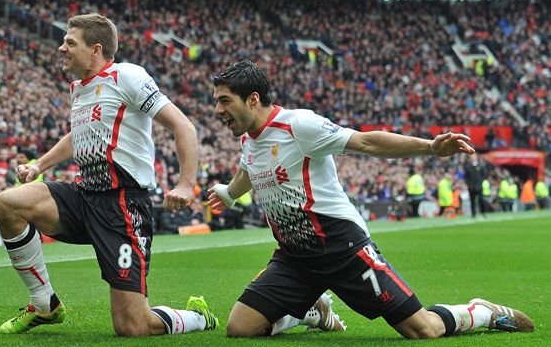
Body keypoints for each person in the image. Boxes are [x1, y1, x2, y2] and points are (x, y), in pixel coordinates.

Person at [207, 60, 533, 339]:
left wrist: (430, 147)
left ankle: (480, 311)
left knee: (423, 330)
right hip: (294, 258)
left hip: (342, 249)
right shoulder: (249, 139)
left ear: (252, 99)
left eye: (224, 101)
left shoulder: (299, 125)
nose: (218, 110)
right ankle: (310, 311)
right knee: (240, 327)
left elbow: (368, 143)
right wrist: (229, 193)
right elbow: (248, 170)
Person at [0, 13, 216, 337]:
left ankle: (198, 316)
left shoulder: (127, 76)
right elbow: (77, 136)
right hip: (83, 197)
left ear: (96, 50)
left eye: (70, 42)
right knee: (7, 204)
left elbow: (183, 125)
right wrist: (40, 165)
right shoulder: (79, 88)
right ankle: (44, 304)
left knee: (132, 326)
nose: (61, 48)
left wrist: (185, 183)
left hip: (123, 206)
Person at [463, 153, 487, 218]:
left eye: (473, 156)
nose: (472, 158)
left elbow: (484, 175)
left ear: (476, 157)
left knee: (481, 199)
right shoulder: (468, 166)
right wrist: (469, 184)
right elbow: (466, 177)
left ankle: (483, 212)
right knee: (472, 201)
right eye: (471, 157)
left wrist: (481, 182)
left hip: (479, 186)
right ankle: (473, 214)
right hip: (471, 187)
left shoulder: (481, 166)